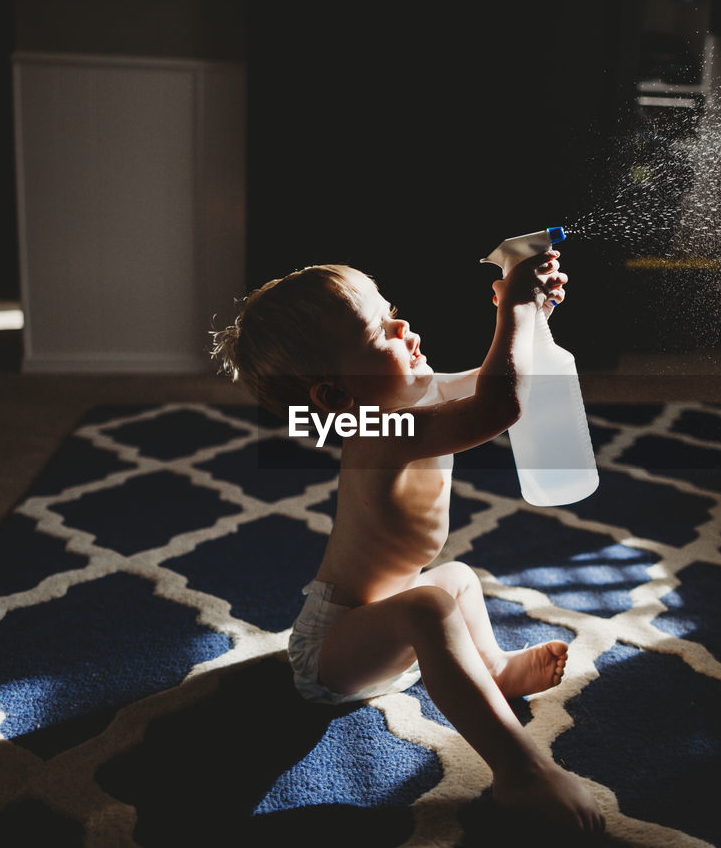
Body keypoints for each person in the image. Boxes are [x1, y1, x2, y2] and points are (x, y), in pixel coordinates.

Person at [211, 250, 605, 835]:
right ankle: (519, 770)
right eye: (379, 330)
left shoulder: (405, 403)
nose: (403, 326)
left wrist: (534, 314)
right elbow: (498, 406)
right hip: (331, 654)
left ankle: (491, 668)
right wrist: (515, 307)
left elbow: (492, 380)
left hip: (380, 634)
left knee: (457, 579)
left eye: (392, 312)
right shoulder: (379, 431)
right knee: (429, 604)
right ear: (336, 397)